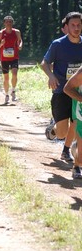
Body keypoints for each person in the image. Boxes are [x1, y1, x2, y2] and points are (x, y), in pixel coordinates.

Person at [41, 11, 82, 164]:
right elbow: (44, 63)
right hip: (61, 90)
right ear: (67, 26)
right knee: (62, 132)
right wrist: (51, 76)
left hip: (78, 92)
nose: (76, 28)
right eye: (73, 25)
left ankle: (66, 151)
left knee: (77, 122)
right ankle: (54, 129)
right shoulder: (58, 44)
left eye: (79, 25)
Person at [0, 15, 23, 104]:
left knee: (14, 74)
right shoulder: (0, 33)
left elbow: (20, 40)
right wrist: (1, 44)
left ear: (12, 23)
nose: (8, 23)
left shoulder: (16, 32)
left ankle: (13, 91)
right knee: (6, 78)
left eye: (10, 22)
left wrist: (20, 45)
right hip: (4, 58)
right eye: (7, 22)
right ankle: (6, 94)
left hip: (14, 57)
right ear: (4, 23)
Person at [63, 65, 82, 179]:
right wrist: (80, 98)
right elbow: (67, 88)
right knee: (81, 159)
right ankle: (76, 165)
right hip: (81, 112)